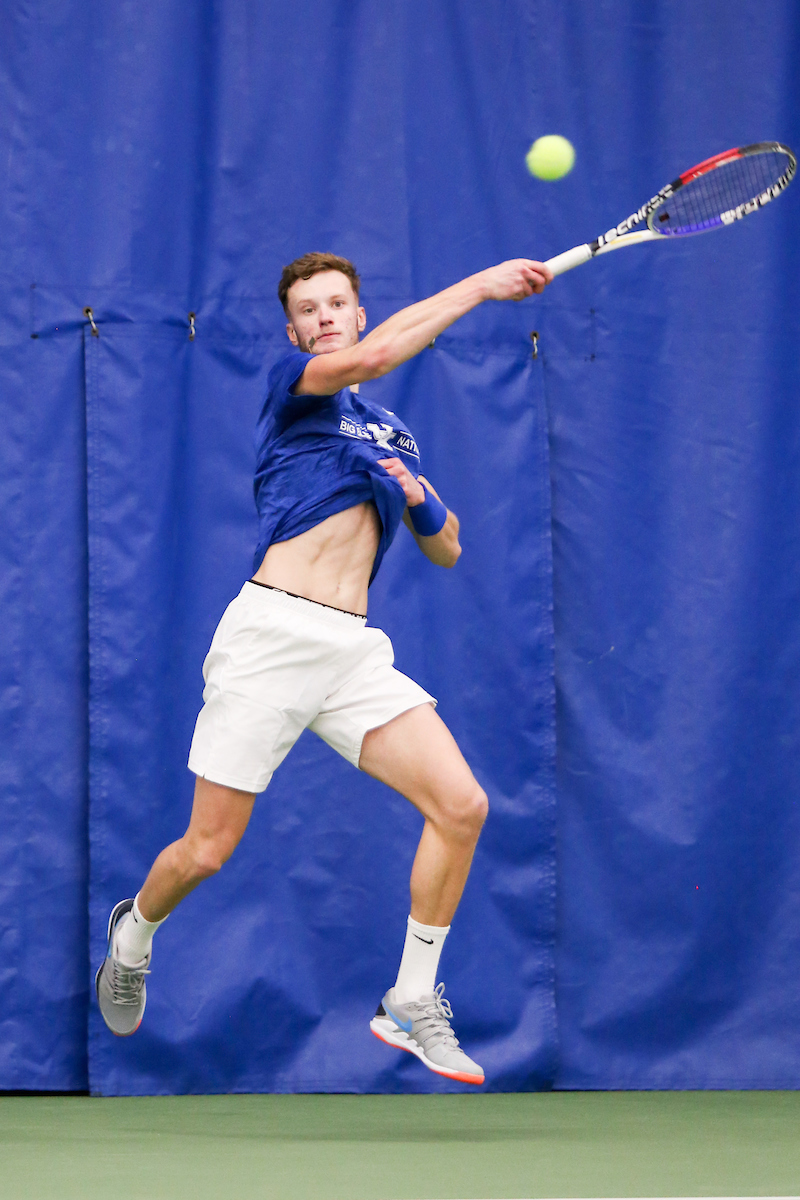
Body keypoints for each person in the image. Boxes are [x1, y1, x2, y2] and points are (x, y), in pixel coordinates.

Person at [96, 250, 552, 1085]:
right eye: (310, 310)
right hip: (271, 637)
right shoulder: (294, 385)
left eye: (338, 303)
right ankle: (135, 930)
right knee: (206, 851)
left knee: (461, 805)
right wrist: (481, 284)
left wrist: (418, 497)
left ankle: (411, 998)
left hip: (351, 650)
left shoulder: (389, 430)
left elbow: (447, 550)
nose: (326, 317)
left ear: (358, 309)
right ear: (294, 329)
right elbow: (374, 360)